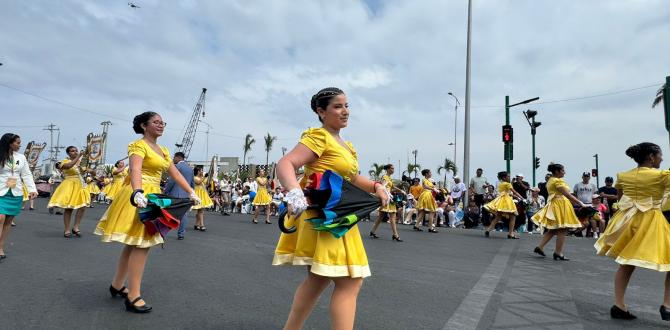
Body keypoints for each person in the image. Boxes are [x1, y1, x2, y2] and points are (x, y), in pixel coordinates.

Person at [273, 87, 389, 329]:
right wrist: (294, 192)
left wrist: (377, 185)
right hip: (323, 216)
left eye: (347, 106)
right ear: (321, 111)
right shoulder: (318, 137)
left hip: (339, 216)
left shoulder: (346, 146)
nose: (345, 111)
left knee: (319, 280)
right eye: (338, 106)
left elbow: (353, 178)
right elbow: (286, 162)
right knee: (349, 282)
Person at [94, 112, 200, 313]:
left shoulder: (164, 150)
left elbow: (174, 173)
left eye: (163, 122)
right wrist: (137, 192)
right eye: (156, 122)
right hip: (140, 194)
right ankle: (133, 295)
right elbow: (135, 169)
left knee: (134, 242)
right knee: (142, 244)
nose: (161, 125)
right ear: (144, 125)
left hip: (153, 195)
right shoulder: (138, 145)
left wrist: (190, 191)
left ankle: (117, 285)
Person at [595, 142, 670, 321]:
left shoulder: (623, 175)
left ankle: (619, 305)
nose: (662, 158)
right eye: (660, 155)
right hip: (651, 219)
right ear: (651, 157)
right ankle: (667, 305)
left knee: (626, 263)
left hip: (628, 219)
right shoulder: (662, 176)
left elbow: (621, 200)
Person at [531, 163, 585, 260]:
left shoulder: (551, 180)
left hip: (555, 204)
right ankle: (558, 252)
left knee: (554, 229)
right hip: (560, 204)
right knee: (562, 229)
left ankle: (540, 247)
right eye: (563, 170)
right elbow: (568, 195)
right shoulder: (557, 181)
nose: (564, 172)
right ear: (557, 171)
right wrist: (580, 203)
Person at [0, 133, 37, 260]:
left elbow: (26, 174)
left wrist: (32, 189)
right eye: (17, 143)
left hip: (15, 192)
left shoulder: (21, 157)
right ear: (9, 143)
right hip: (1, 191)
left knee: (8, 221)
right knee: (0, 218)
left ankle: (1, 247)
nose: (19, 145)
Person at [47, 146, 90, 238]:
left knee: (82, 207)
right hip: (69, 184)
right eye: (72, 151)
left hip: (80, 185)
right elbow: (68, 166)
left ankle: (76, 227)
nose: (75, 152)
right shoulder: (64, 161)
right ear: (68, 153)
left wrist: (90, 171)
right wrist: (79, 156)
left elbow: (85, 172)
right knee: (69, 208)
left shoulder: (80, 163)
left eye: (76, 151)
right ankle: (67, 229)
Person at [163, 152, 195, 240]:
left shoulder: (176, 167)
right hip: (186, 195)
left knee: (168, 213)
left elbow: (171, 181)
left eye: (174, 157)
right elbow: (192, 184)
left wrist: (165, 192)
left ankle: (163, 232)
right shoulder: (190, 169)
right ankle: (181, 234)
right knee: (184, 215)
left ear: (178, 157)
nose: (173, 159)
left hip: (175, 194)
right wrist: (191, 194)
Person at [484, 171, 525, 239]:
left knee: (498, 217)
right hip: (507, 201)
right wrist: (522, 198)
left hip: (501, 200)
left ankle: (488, 230)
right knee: (513, 216)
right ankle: (510, 234)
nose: (509, 177)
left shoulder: (501, 184)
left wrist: (516, 196)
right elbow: (514, 191)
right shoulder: (508, 184)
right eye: (508, 176)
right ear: (504, 177)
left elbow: (509, 193)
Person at [370, 164, 403, 242]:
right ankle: (395, 235)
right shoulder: (384, 177)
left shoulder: (389, 178)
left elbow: (392, 187)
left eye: (393, 168)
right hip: (386, 198)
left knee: (381, 216)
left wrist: (400, 190)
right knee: (392, 216)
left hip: (389, 197)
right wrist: (388, 195)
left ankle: (372, 231)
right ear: (388, 169)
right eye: (392, 168)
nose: (393, 170)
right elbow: (383, 187)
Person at [415, 169, 439, 233]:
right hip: (427, 195)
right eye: (430, 172)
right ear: (426, 174)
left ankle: (416, 225)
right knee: (432, 211)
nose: (431, 174)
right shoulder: (424, 180)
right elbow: (425, 186)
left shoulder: (429, 181)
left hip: (429, 195)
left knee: (423, 211)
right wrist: (433, 189)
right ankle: (430, 227)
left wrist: (437, 189)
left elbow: (434, 187)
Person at [191, 166, 214, 231]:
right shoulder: (194, 177)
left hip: (202, 195)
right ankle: (201, 225)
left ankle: (197, 224)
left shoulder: (201, 177)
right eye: (201, 170)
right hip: (197, 195)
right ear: (198, 171)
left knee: (200, 211)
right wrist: (204, 177)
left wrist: (210, 176)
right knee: (200, 211)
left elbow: (206, 182)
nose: (202, 171)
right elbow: (199, 182)